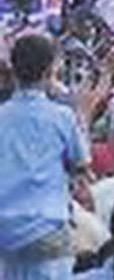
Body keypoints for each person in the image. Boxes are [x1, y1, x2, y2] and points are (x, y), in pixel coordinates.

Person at [0, 34, 90, 280]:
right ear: (51, 69)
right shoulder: (62, 116)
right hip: (48, 231)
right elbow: (82, 163)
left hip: (4, 235)